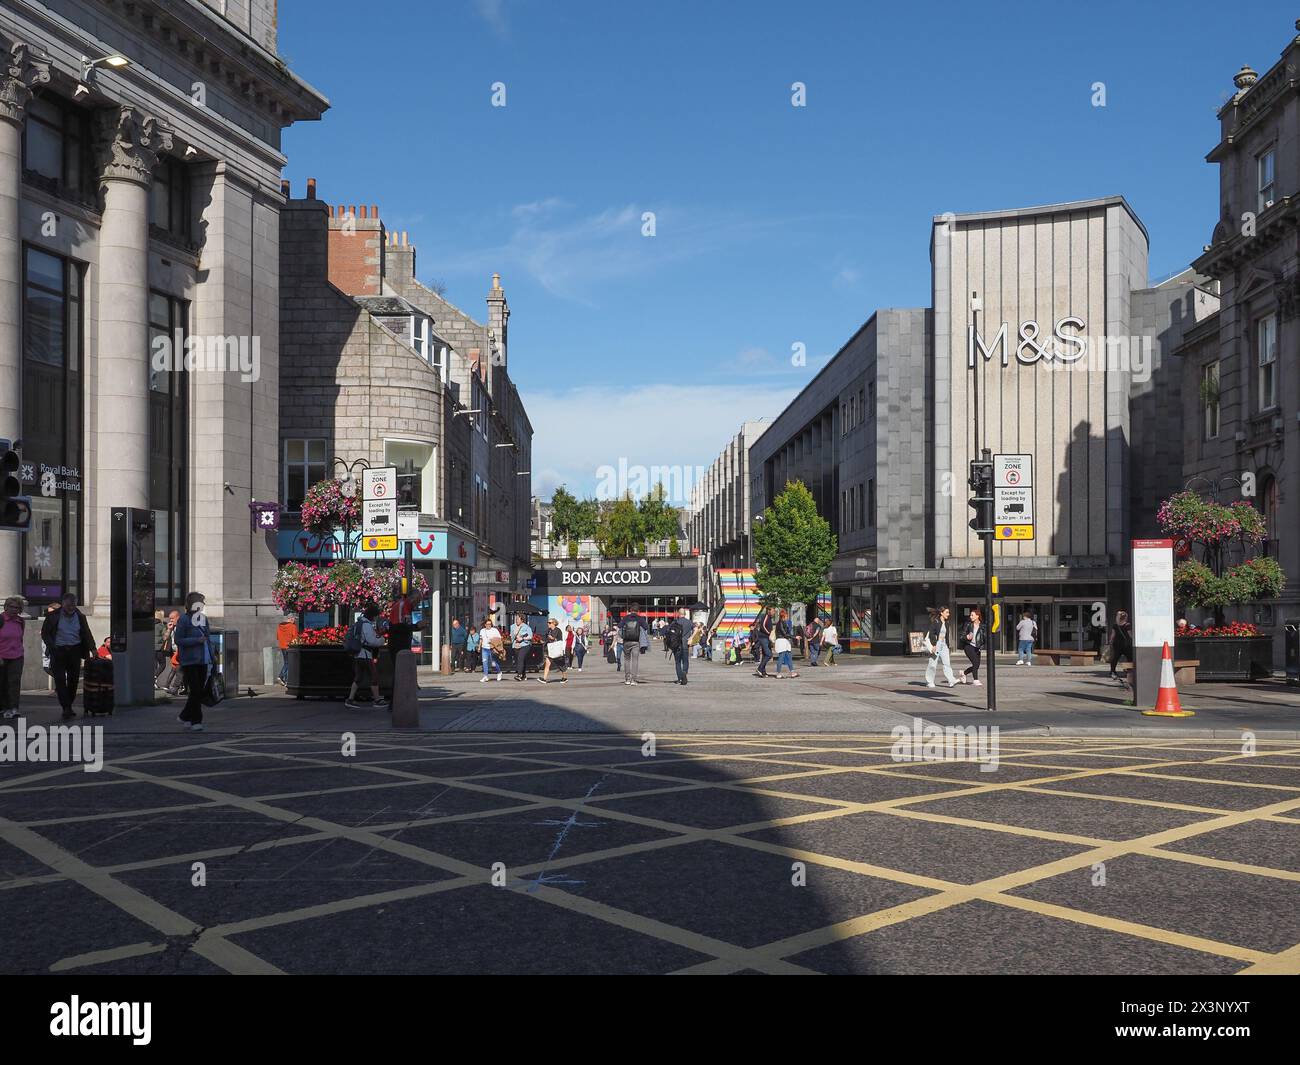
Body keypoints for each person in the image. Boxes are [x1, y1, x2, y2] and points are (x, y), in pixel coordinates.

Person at [41, 592, 96, 721]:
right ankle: (66, 707)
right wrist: (52, 646)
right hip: (58, 650)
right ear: (63, 604)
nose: (71, 608)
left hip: (74, 651)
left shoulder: (80, 616)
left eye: (73, 606)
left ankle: (69, 704)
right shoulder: (53, 616)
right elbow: (45, 633)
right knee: (60, 680)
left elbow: (86, 632)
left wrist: (93, 649)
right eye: (68, 606)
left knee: (73, 680)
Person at [174, 591, 215, 730]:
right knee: (196, 690)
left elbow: (208, 638)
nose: (203, 604)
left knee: (198, 691)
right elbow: (178, 640)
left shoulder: (203, 619)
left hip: (203, 659)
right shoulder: (184, 620)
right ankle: (197, 721)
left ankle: (187, 717)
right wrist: (196, 640)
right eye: (201, 601)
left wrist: (212, 656)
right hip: (190, 660)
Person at [346, 604, 390, 707]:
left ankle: (350, 699)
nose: (376, 618)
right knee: (374, 676)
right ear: (372, 615)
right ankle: (377, 700)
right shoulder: (366, 625)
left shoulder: (359, 623)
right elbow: (371, 641)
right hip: (365, 654)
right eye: (376, 616)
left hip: (357, 654)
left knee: (358, 677)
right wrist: (382, 640)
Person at [0, 597, 26, 720]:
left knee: (14, 683)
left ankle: (14, 708)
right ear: (6, 607)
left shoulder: (20, 621)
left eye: (17, 608)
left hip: (17, 656)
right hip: (2, 656)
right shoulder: (1, 619)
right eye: (12, 607)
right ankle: (5, 708)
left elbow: (20, 638)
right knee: (3, 683)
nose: (14, 610)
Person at [922, 606, 957, 689]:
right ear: (942, 613)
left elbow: (946, 635)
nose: (948, 614)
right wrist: (934, 645)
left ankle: (951, 680)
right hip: (936, 644)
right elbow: (931, 633)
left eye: (948, 612)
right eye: (947, 612)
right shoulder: (936, 621)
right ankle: (929, 681)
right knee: (933, 664)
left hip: (944, 645)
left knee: (947, 663)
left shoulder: (947, 623)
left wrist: (947, 646)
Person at [958, 607, 985, 686]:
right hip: (968, 646)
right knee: (975, 663)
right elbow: (962, 636)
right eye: (970, 615)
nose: (970, 617)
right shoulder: (968, 624)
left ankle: (964, 673)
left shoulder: (983, 626)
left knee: (977, 665)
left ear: (977, 616)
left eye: (972, 615)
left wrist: (982, 646)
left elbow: (985, 637)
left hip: (977, 647)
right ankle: (975, 680)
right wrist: (966, 637)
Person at [667, 607, 693, 685]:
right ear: (685, 614)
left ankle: (679, 678)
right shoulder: (689, 622)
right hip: (685, 644)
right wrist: (691, 638)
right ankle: (684, 672)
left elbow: (668, 632)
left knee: (677, 662)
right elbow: (696, 628)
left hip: (676, 645)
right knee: (685, 661)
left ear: (678, 614)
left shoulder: (674, 622)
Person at [621, 608, 647, 686]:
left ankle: (627, 679)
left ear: (630, 610)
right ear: (637, 610)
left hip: (626, 641)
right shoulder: (640, 618)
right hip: (636, 642)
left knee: (626, 660)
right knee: (635, 660)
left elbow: (619, 626)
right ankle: (633, 680)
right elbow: (646, 627)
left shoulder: (626, 618)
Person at [539, 618, 569, 684]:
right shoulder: (548, 630)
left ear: (554, 623)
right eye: (548, 622)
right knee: (547, 664)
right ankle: (544, 679)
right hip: (550, 650)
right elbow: (545, 637)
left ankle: (565, 678)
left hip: (556, 650)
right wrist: (542, 640)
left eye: (550, 623)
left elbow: (553, 638)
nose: (548, 624)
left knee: (560, 664)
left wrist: (551, 637)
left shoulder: (557, 630)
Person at [1108, 610, 1133, 684]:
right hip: (1126, 644)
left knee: (1115, 658)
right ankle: (1129, 670)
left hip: (1117, 644)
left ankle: (1113, 671)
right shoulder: (1127, 625)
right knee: (1130, 657)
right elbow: (1130, 635)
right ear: (1125, 618)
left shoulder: (1115, 625)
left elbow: (1113, 635)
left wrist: (1110, 641)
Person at [479, 614, 505, 682]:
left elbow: (499, 638)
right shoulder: (482, 631)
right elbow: (481, 639)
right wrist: (479, 647)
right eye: (487, 624)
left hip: (492, 649)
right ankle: (485, 676)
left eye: (490, 624)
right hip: (484, 648)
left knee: (493, 663)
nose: (489, 625)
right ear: (485, 624)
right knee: (484, 662)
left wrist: (493, 640)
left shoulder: (494, 630)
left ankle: (499, 672)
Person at [773, 608, 798, 678]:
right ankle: (778, 673)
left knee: (789, 656)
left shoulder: (784, 622)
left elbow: (786, 633)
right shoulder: (780, 623)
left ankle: (792, 672)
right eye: (786, 616)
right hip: (781, 641)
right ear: (783, 616)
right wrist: (795, 637)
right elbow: (785, 634)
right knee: (781, 657)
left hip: (785, 641)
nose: (787, 617)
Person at [510, 612, 534, 681]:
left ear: (522, 620)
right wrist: (515, 635)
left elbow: (530, 636)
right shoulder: (512, 626)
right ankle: (524, 675)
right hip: (516, 645)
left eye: (518, 619)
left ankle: (519, 675)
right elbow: (511, 636)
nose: (516, 620)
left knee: (520, 658)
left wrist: (522, 638)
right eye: (516, 619)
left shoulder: (526, 627)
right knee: (521, 660)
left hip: (525, 645)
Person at [752, 607, 774, 678]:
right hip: (763, 638)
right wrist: (769, 633)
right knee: (769, 654)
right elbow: (763, 626)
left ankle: (763, 672)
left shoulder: (770, 618)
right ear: (768, 611)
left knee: (765, 655)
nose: (774, 612)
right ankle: (759, 668)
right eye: (773, 611)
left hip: (767, 638)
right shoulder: (765, 616)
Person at [276, 613, 297, 685]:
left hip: (282, 646)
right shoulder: (293, 626)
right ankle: (282, 677)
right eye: (294, 619)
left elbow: (278, 637)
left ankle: (285, 680)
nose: (295, 620)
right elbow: (295, 638)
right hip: (289, 647)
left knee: (286, 662)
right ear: (291, 619)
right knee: (289, 663)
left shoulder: (280, 626)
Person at [153, 608, 168, 678]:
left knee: (154, 665)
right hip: (159, 649)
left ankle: (153, 682)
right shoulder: (161, 626)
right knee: (163, 664)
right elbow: (165, 637)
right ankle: (155, 676)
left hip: (151, 648)